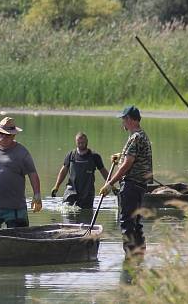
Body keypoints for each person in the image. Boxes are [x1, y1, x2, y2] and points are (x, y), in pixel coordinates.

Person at [100, 105, 152, 257]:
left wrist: (110, 183)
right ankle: (139, 255)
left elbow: (127, 164)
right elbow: (131, 157)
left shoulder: (135, 137)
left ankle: (130, 257)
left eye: (123, 119)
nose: (122, 122)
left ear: (130, 120)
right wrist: (121, 154)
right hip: (140, 185)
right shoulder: (141, 135)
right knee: (136, 223)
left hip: (132, 184)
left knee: (127, 223)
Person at [50, 132, 109, 208]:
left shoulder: (94, 156)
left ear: (87, 142)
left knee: (86, 215)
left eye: (83, 142)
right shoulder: (71, 155)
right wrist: (56, 186)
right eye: (79, 143)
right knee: (66, 211)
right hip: (71, 191)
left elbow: (103, 171)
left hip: (87, 193)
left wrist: (110, 185)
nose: (81, 144)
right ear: (76, 142)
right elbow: (63, 171)